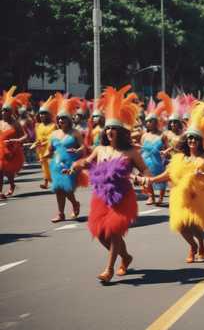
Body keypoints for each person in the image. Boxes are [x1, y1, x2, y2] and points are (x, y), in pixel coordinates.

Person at [69, 85, 151, 282]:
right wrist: (75, 166)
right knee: (101, 234)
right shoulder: (99, 149)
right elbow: (86, 162)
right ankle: (126, 256)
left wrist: (144, 178)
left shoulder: (130, 152)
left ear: (121, 132)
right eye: (107, 129)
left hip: (122, 196)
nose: (109, 132)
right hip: (101, 196)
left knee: (114, 232)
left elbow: (144, 169)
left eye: (113, 129)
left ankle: (109, 269)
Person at [144, 102, 204, 263]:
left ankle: (201, 245)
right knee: (181, 225)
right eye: (189, 138)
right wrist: (151, 180)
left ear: (199, 140)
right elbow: (168, 174)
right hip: (179, 196)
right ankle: (193, 246)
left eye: (195, 138)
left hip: (199, 196)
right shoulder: (179, 157)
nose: (191, 141)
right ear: (186, 140)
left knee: (194, 224)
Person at [45, 93, 86, 222]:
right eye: (59, 119)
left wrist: (77, 150)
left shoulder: (75, 133)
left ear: (69, 120)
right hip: (56, 165)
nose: (61, 120)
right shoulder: (54, 134)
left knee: (67, 188)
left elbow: (84, 147)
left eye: (64, 118)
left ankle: (74, 203)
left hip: (71, 165)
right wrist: (45, 154)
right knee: (58, 188)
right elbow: (50, 149)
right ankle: (61, 213)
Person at [0, 86, 30, 198]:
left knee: (9, 172)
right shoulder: (0, 122)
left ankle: (12, 185)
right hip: (1, 151)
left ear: (10, 111)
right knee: (1, 170)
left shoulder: (15, 124)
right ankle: (0, 192)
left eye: (6, 110)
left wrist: (16, 140)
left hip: (13, 151)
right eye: (2, 110)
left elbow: (25, 136)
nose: (3, 112)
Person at [141, 94, 169, 205]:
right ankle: (151, 196)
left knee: (161, 179)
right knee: (147, 179)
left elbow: (167, 147)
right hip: (146, 161)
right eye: (147, 121)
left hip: (159, 161)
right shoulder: (144, 135)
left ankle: (161, 197)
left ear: (155, 122)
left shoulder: (163, 135)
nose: (148, 123)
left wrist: (166, 153)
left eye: (150, 121)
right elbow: (142, 149)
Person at [32, 96, 57, 189]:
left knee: (51, 166)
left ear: (48, 115)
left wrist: (46, 143)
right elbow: (38, 138)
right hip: (41, 150)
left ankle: (55, 182)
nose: (42, 115)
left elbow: (54, 138)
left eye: (44, 114)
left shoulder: (53, 126)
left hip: (51, 150)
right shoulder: (38, 126)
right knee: (44, 167)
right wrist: (36, 143)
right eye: (41, 114)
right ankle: (46, 182)